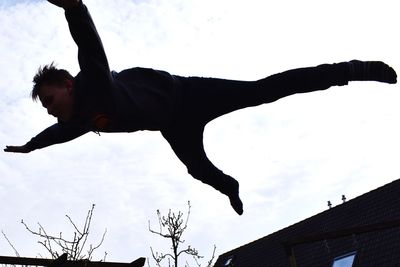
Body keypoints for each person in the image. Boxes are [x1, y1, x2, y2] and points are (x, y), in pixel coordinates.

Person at [4, 0, 397, 215]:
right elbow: (58, 133)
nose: (53, 111)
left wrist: (74, 7)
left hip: (188, 96)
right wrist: (30, 146)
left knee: (263, 90)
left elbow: (90, 46)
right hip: (172, 124)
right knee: (197, 168)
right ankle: (231, 187)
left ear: (68, 86)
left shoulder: (93, 80)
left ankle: (352, 70)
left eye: (52, 101)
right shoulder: (79, 120)